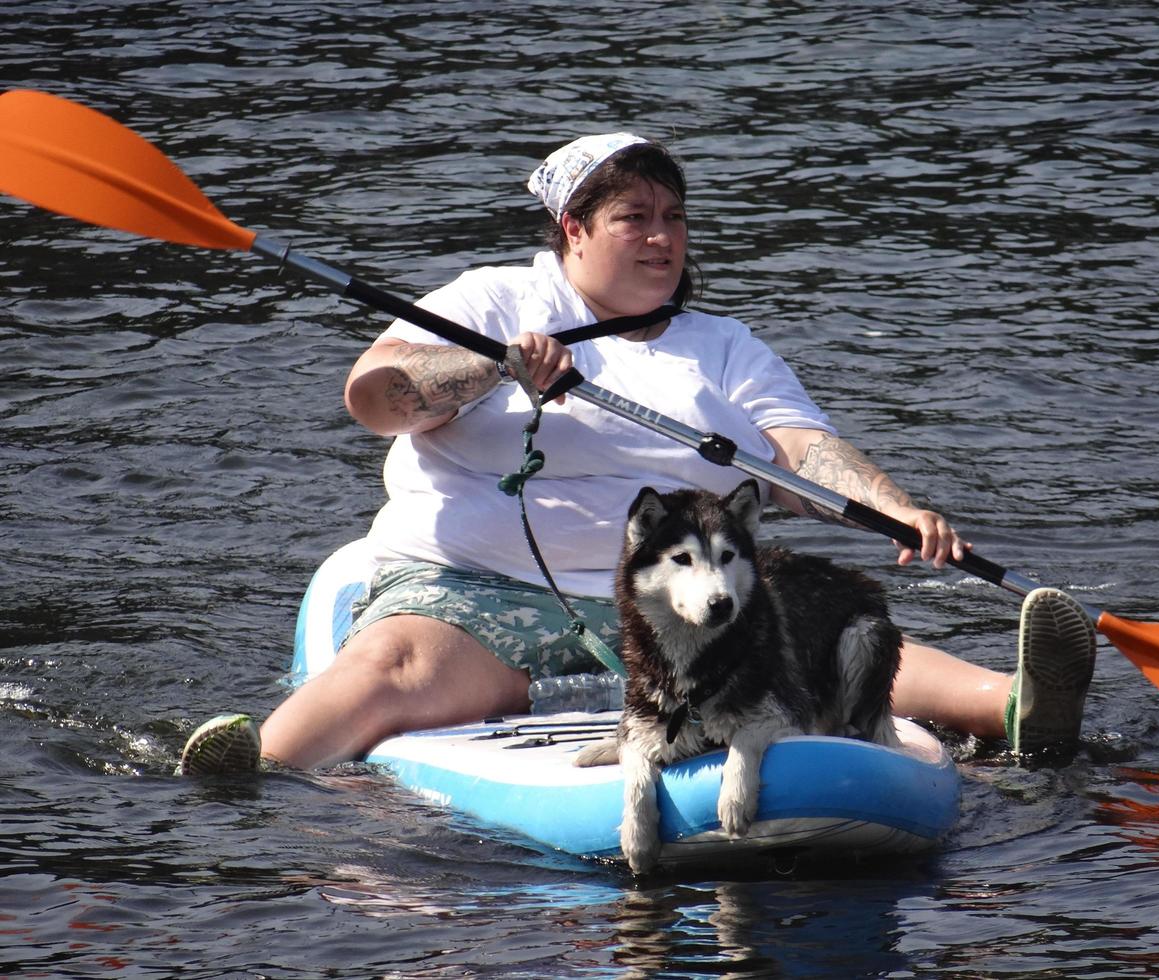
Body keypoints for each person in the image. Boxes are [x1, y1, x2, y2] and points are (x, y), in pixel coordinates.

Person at [179, 133, 1095, 775]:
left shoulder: (721, 343)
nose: (662, 237)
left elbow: (801, 450)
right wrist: (490, 365)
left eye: (673, 217)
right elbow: (376, 400)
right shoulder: (491, 298)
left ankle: (1017, 704)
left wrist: (894, 508)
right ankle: (249, 772)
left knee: (850, 637)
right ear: (572, 229)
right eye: (633, 217)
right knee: (393, 670)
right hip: (479, 593)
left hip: (686, 597)